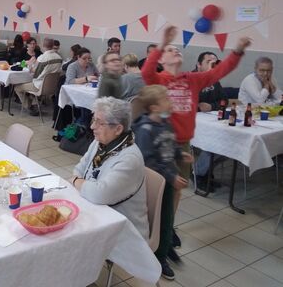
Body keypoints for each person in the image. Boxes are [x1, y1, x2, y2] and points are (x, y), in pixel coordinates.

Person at [141, 25, 251, 247]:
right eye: (170, 51)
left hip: (182, 145)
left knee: (177, 190)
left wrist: (237, 50)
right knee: (158, 188)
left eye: (177, 49)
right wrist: (162, 43)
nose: (176, 51)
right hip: (161, 145)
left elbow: (219, 71)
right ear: (161, 59)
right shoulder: (159, 80)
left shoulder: (192, 79)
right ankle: (153, 226)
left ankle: (168, 226)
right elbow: (146, 72)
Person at [132, 85, 193, 280]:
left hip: (167, 179)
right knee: (161, 219)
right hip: (157, 183)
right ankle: (159, 257)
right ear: (155, 107)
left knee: (165, 219)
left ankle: (162, 247)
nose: (170, 101)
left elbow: (170, 143)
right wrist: (171, 177)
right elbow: (149, 162)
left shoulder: (165, 123)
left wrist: (179, 154)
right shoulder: (145, 130)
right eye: (166, 99)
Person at [71, 97, 149, 240]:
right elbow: (80, 167)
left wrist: (77, 181)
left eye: (99, 123)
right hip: (95, 210)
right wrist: (82, 182)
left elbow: (101, 194)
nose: (92, 127)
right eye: (93, 120)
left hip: (123, 231)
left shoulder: (130, 159)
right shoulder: (100, 142)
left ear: (118, 129)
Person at [192, 51, 226, 192]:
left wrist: (212, 106)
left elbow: (224, 101)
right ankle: (199, 174)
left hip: (212, 122)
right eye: (209, 62)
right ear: (199, 65)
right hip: (190, 125)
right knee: (213, 143)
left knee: (226, 143)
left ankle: (205, 172)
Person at [14, 38, 62, 116]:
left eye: (34, 43)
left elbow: (36, 74)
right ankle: (34, 105)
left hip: (39, 85)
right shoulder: (59, 58)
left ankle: (29, 106)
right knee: (29, 86)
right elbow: (18, 63)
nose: (33, 45)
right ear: (27, 44)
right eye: (31, 44)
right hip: (51, 86)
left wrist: (30, 65)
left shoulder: (41, 56)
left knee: (17, 87)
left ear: (42, 46)